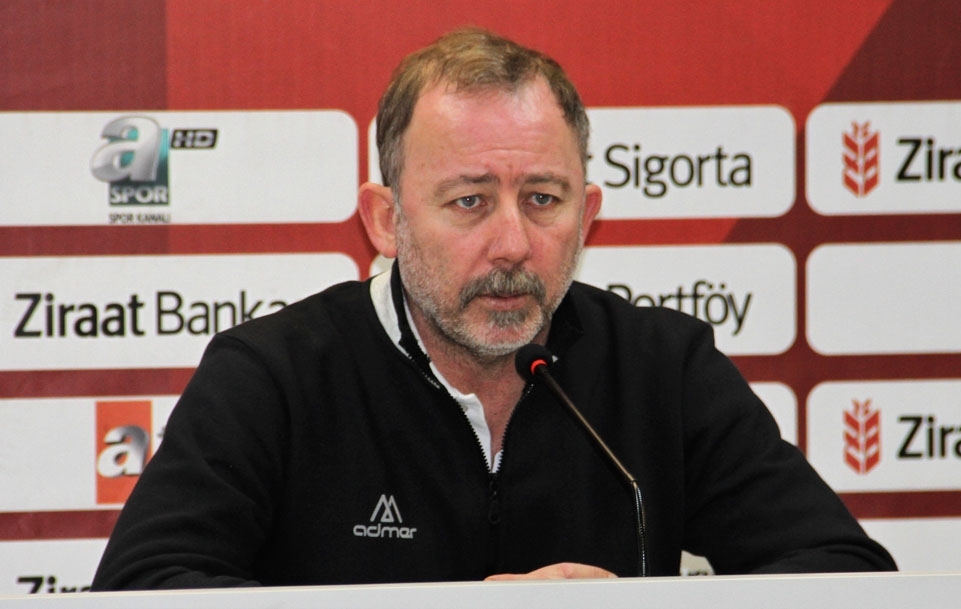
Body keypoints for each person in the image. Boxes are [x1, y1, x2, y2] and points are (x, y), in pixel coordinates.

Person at [90, 28, 895, 590]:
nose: (513, 243)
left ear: (588, 215)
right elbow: (144, 588)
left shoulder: (662, 366)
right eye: (470, 200)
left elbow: (847, 576)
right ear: (385, 220)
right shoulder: (277, 374)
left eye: (543, 198)